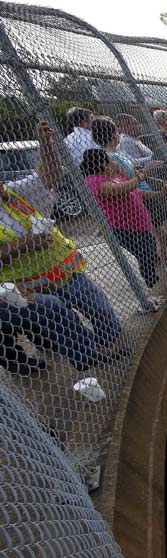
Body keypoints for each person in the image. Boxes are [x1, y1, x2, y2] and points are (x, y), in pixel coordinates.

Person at [0, 122, 108, 373]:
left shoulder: (9, 193)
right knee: (53, 310)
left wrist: (46, 144)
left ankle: (87, 349)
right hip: (20, 283)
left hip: (55, 269)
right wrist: (26, 244)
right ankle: (84, 355)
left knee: (67, 314)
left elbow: (46, 178)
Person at [91, 117, 167, 270]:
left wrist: (137, 170)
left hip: (144, 194)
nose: (119, 133)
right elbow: (129, 181)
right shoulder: (111, 158)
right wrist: (146, 170)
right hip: (142, 196)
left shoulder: (116, 154)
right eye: (116, 130)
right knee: (161, 234)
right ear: (113, 134)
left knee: (162, 233)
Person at [81, 148, 162, 288]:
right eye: (110, 160)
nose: (114, 162)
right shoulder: (94, 180)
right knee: (146, 253)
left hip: (139, 224)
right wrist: (143, 175)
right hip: (123, 227)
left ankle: (152, 279)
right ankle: (151, 282)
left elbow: (135, 191)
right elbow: (122, 189)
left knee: (149, 251)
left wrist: (158, 194)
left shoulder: (111, 176)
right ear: (103, 164)